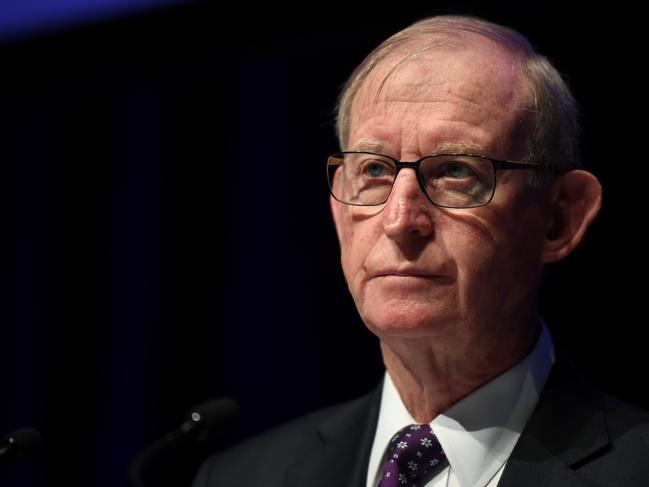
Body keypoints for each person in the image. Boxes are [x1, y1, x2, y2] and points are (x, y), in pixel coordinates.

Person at [193, 15, 649, 487]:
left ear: (559, 218)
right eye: (373, 170)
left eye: (455, 170)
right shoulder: (238, 477)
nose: (399, 219)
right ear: (338, 212)